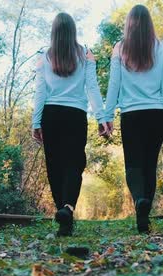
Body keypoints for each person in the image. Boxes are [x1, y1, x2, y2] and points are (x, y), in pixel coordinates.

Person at [104, 4, 163, 234]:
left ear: (129, 24)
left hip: (131, 114)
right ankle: (144, 218)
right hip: (157, 114)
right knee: (150, 165)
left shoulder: (120, 48)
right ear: (149, 24)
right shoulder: (161, 49)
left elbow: (113, 85)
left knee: (134, 165)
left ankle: (139, 200)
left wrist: (107, 116)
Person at [32, 12, 111, 237]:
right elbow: (92, 88)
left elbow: (40, 92)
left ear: (54, 32)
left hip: (51, 115)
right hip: (75, 115)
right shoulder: (85, 55)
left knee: (54, 166)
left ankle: (63, 213)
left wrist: (36, 121)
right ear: (73, 31)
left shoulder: (44, 57)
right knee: (74, 164)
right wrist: (101, 117)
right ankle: (67, 208)